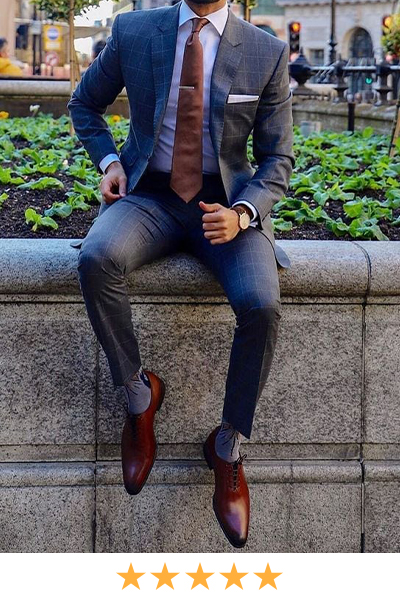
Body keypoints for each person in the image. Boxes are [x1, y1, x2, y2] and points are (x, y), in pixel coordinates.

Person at [67, 0, 294, 549]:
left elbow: (278, 159)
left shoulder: (265, 51)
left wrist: (243, 214)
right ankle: (139, 397)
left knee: (261, 305)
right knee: (97, 258)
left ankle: (227, 447)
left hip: (227, 209)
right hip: (149, 197)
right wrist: (109, 162)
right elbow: (84, 103)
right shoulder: (134, 30)